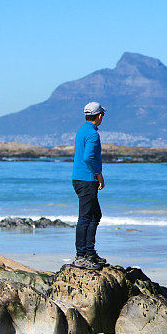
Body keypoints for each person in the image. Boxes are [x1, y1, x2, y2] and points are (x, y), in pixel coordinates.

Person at [71, 101, 107, 270]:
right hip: (86, 179)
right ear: (99, 116)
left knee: (95, 215)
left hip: (80, 178)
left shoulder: (82, 130)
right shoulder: (92, 134)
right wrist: (99, 176)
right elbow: (88, 157)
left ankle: (89, 252)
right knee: (86, 217)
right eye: (103, 115)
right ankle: (81, 255)